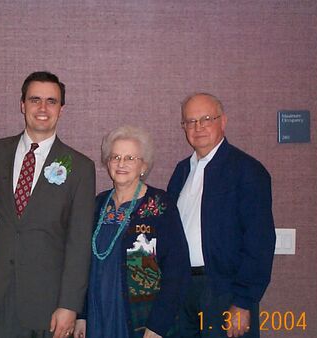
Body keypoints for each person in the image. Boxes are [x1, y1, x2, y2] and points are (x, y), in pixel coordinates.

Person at [0, 71, 96, 338]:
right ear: (22, 105)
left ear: (61, 109)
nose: (42, 108)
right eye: (35, 100)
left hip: (49, 304)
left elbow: (79, 243)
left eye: (51, 101)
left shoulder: (79, 167)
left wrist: (69, 305)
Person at [167, 93, 276, 338]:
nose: (198, 127)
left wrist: (243, 301)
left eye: (206, 119)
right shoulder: (182, 171)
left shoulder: (247, 171)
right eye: (190, 121)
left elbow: (259, 242)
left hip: (224, 291)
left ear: (223, 121)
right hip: (183, 289)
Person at [74, 125, 191, 338]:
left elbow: (178, 270)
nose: (121, 163)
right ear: (107, 162)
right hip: (98, 314)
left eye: (130, 158)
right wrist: (82, 314)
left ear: (143, 165)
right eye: (115, 157)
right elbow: (82, 264)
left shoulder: (160, 205)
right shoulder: (98, 204)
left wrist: (158, 325)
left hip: (141, 320)